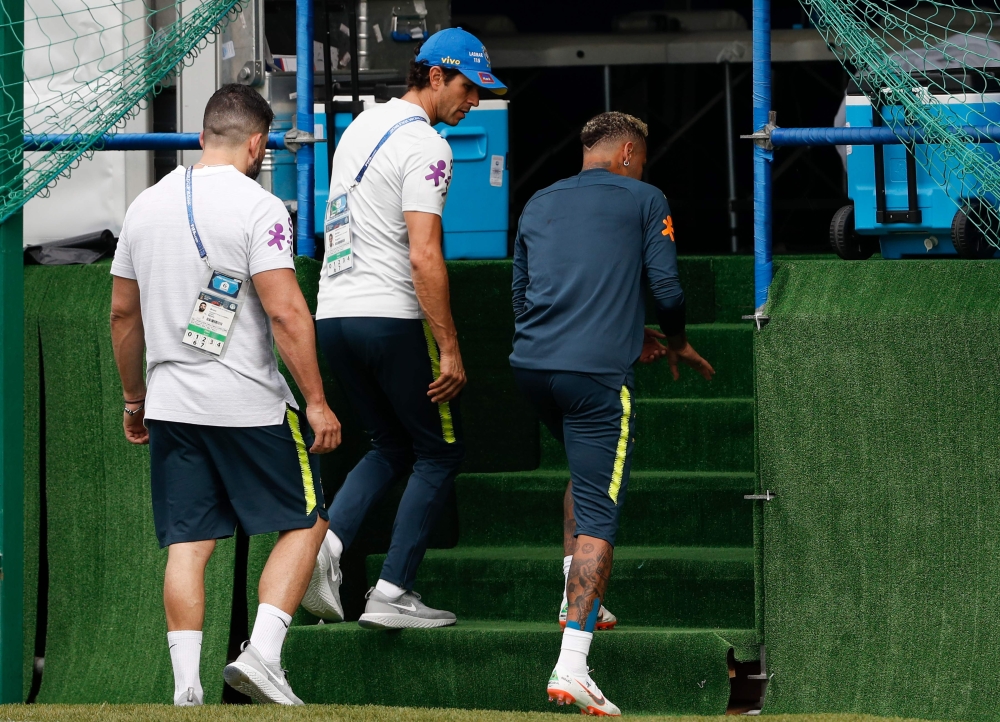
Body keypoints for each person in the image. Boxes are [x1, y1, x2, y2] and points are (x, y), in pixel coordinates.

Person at [109, 84, 342, 706]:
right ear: (259, 142)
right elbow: (287, 312)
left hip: (169, 404)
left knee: (190, 543)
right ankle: (263, 654)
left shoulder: (144, 205)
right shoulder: (261, 206)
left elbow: (121, 315)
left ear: (204, 134)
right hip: (246, 403)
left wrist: (135, 399)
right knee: (309, 520)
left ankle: (187, 690)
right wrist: (315, 402)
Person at [510, 112, 715, 716]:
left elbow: (521, 295)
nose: (643, 167)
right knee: (601, 509)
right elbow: (668, 287)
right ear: (628, 152)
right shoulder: (646, 196)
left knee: (584, 470)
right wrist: (674, 339)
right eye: (643, 158)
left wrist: (611, 329)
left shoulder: (538, 202)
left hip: (533, 368)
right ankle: (573, 665)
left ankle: (575, 598)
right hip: (596, 373)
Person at [301, 28, 505, 629]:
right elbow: (423, 254)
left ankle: (323, 551)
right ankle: (391, 594)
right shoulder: (428, 147)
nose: (475, 103)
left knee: (389, 445)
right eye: (470, 88)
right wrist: (449, 347)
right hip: (389, 317)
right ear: (436, 76)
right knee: (439, 453)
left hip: (334, 316)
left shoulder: (359, 126)